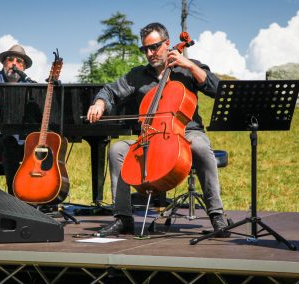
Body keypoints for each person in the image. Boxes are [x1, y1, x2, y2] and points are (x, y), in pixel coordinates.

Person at [86, 22, 231, 238]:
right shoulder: (138, 75)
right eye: (145, 49)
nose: (150, 53)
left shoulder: (187, 67)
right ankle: (123, 217)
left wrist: (189, 65)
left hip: (187, 132)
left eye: (154, 47)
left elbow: (218, 89)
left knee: (200, 145)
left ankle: (216, 214)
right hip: (151, 135)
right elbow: (110, 91)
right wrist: (99, 103)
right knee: (117, 149)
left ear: (167, 44)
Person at [0, 44, 34, 194]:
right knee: (10, 142)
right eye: (10, 59)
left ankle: (41, 195)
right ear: (4, 63)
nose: (14, 63)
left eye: (19, 61)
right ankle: (14, 195)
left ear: (24, 68)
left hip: (24, 140)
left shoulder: (30, 85)